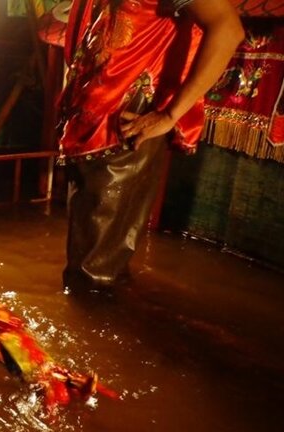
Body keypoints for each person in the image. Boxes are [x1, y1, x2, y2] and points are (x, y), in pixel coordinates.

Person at [56, 0, 244, 292]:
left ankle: (91, 325)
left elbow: (228, 28)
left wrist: (170, 114)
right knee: (92, 261)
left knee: (93, 274)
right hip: (91, 122)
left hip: (125, 126)